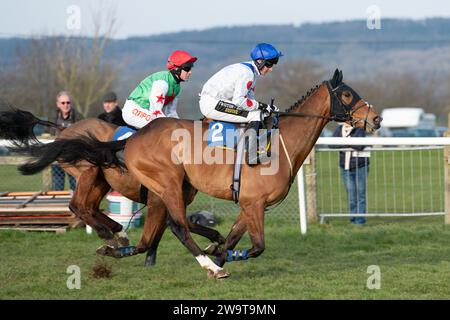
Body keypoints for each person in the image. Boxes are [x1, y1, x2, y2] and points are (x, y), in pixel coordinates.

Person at [199, 43, 283, 164]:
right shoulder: (247, 74)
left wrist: (264, 108)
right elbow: (240, 101)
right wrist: (262, 106)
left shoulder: (251, 72)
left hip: (216, 100)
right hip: (212, 103)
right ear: (260, 61)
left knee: (259, 113)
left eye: (273, 64)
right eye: (269, 64)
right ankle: (252, 154)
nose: (271, 69)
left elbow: (249, 100)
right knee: (256, 115)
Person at [121, 50, 197, 129]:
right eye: (187, 68)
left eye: (190, 68)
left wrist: (183, 127)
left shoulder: (177, 87)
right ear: (176, 68)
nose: (190, 72)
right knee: (162, 126)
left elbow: (171, 113)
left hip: (147, 112)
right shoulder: (162, 83)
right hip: (134, 110)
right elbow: (155, 111)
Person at [331, 122, 370, 225]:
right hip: (345, 167)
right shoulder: (339, 129)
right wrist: (349, 143)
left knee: (361, 194)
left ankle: (360, 220)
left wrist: (343, 143)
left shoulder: (359, 128)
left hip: (360, 166)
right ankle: (353, 218)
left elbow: (360, 146)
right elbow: (331, 144)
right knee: (351, 195)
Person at [51, 91, 80, 191]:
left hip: (73, 156)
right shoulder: (53, 118)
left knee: (74, 185)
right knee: (57, 185)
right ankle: (57, 203)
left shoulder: (78, 117)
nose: (66, 105)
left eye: (68, 102)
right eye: (63, 103)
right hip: (57, 155)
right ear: (58, 104)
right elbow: (48, 134)